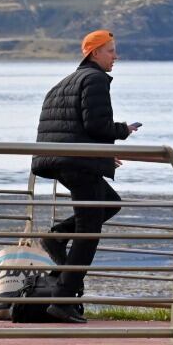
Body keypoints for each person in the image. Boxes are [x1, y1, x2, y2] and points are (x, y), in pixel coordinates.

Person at [31, 30, 140, 323]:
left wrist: (102, 156)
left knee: (110, 203)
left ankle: (56, 238)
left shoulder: (64, 82)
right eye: (110, 51)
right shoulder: (95, 79)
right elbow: (96, 125)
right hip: (77, 162)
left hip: (63, 159)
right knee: (89, 231)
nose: (115, 57)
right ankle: (63, 300)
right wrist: (123, 130)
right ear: (94, 53)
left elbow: (72, 127)